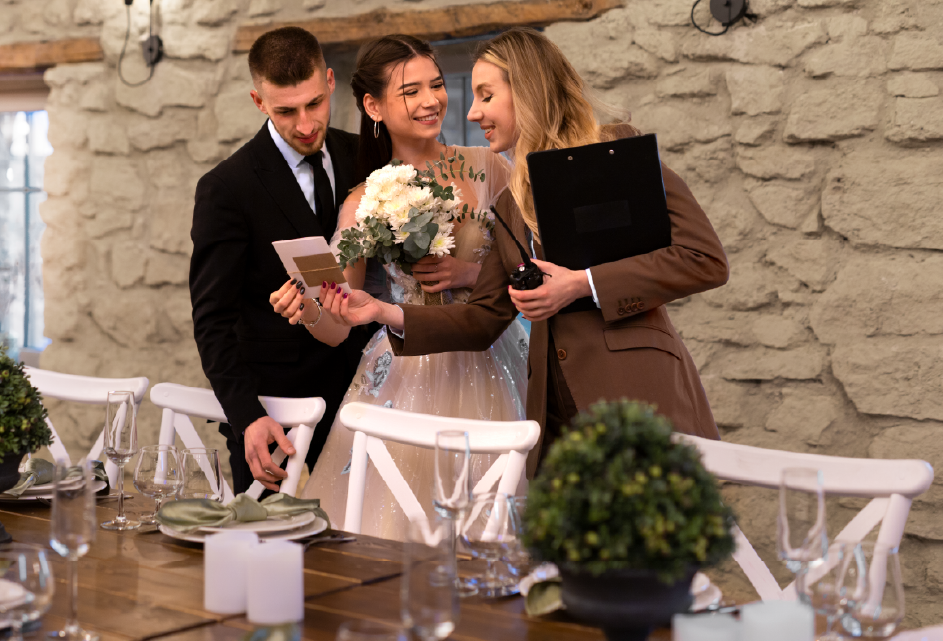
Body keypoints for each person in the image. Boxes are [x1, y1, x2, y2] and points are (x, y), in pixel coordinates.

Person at [319, 27, 729, 476]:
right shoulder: (510, 202)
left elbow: (702, 258)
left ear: (526, 91)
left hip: (634, 392)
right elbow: (481, 318)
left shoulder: (611, 148)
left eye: (486, 96)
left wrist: (581, 284)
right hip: (550, 410)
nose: (472, 112)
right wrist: (382, 311)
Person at [268, 35, 529, 539]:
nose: (431, 100)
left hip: (494, 355)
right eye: (411, 91)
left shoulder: (488, 167)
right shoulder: (362, 199)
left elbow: (533, 265)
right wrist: (307, 309)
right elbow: (338, 327)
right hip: (404, 375)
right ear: (373, 105)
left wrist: (474, 276)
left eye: (435, 85)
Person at [190, 27, 374, 495]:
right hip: (274, 412)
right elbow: (212, 320)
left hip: (365, 399)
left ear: (331, 81)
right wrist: (247, 415)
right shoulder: (226, 188)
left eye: (314, 103)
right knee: (265, 557)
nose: (307, 123)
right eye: (286, 111)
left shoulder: (367, 158)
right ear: (258, 101)